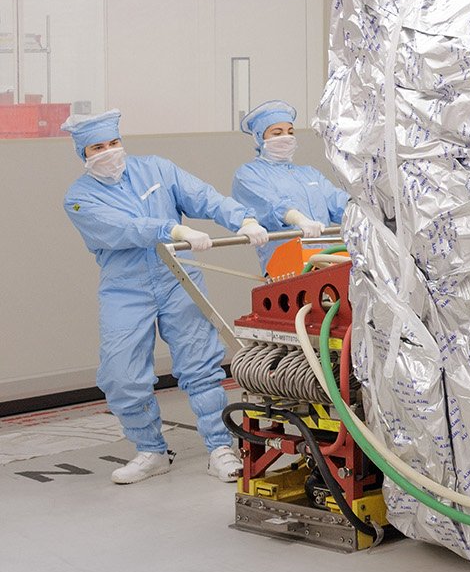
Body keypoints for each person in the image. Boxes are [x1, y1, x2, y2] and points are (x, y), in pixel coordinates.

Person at [60, 110, 269, 484]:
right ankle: (151, 451)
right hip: (125, 289)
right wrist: (171, 229)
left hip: (177, 279)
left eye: (113, 143)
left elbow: (202, 196)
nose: (109, 152)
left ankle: (220, 449)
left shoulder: (156, 169)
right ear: (83, 153)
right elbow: (121, 229)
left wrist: (243, 219)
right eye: (98, 147)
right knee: (121, 375)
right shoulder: (79, 198)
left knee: (200, 364)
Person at [230, 100, 343, 273]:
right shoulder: (249, 174)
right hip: (286, 267)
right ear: (260, 137)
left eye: (290, 132)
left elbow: (338, 201)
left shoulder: (309, 173)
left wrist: (370, 212)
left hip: (330, 260)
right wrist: (299, 219)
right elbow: (270, 204)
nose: (286, 137)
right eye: (277, 133)